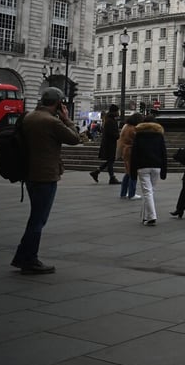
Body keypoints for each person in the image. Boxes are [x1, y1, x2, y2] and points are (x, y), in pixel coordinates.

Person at [11, 87, 80, 274]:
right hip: (45, 175)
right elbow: (75, 138)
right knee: (38, 220)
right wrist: (66, 119)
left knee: (35, 217)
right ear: (59, 103)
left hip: (30, 173)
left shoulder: (29, 117)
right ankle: (29, 259)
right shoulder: (51, 122)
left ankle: (22, 256)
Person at [129, 114, 167, 226]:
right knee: (150, 192)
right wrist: (164, 169)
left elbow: (134, 154)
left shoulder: (139, 135)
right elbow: (163, 153)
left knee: (147, 192)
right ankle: (145, 216)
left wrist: (132, 171)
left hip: (143, 166)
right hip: (156, 166)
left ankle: (151, 217)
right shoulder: (159, 135)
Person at [90, 104, 121, 184]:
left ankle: (97, 171)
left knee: (110, 160)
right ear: (114, 111)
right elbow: (111, 133)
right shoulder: (110, 121)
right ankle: (112, 178)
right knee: (111, 160)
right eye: (117, 111)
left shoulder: (109, 119)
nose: (118, 112)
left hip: (109, 143)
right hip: (109, 144)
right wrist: (118, 135)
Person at [117, 112, 144, 200]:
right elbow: (137, 140)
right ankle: (132, 194)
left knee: (128, 172)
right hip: (131, 151)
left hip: (125, 150)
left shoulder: (126, 126)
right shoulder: (133, 129)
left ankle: (123, 193)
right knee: (133, 173)